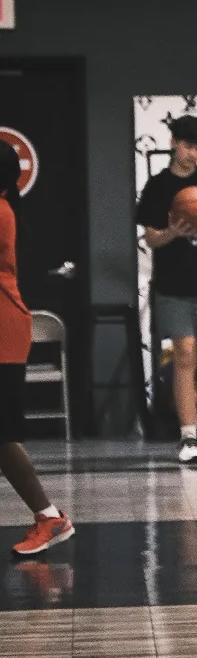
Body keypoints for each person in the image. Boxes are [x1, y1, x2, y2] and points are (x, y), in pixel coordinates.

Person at [136, 116, 197, 464]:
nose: (194, 153)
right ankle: (189, 435)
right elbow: (150, 237)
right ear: (173, 142)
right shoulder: (157, 186)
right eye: (189, 146)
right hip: (173, 285)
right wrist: (173, 234)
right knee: (185, 356)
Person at [0, 141, 74, 558]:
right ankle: (49, 516)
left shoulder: (0, 211)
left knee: (4, 438)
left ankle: (50, 518)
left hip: (3, 333)